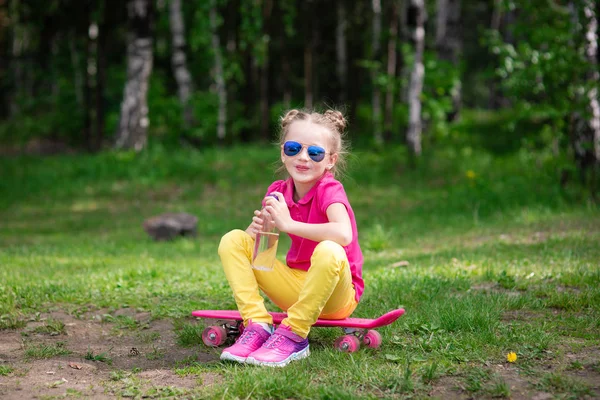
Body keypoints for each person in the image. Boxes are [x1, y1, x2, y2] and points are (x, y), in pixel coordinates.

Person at [217, 108, 364, 367]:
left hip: (336, 295)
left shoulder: (329, 189)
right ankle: (258, 325)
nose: (303, 157)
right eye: (294, 148)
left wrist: (290, 224)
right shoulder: (277, 192)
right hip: (295, 290)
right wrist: (256, 233)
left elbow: (343, 234)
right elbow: (263, 254)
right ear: (283, 152)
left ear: (330, 160)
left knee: (330, 249)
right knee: (233, 239)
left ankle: (295, 335)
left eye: (315, 152)